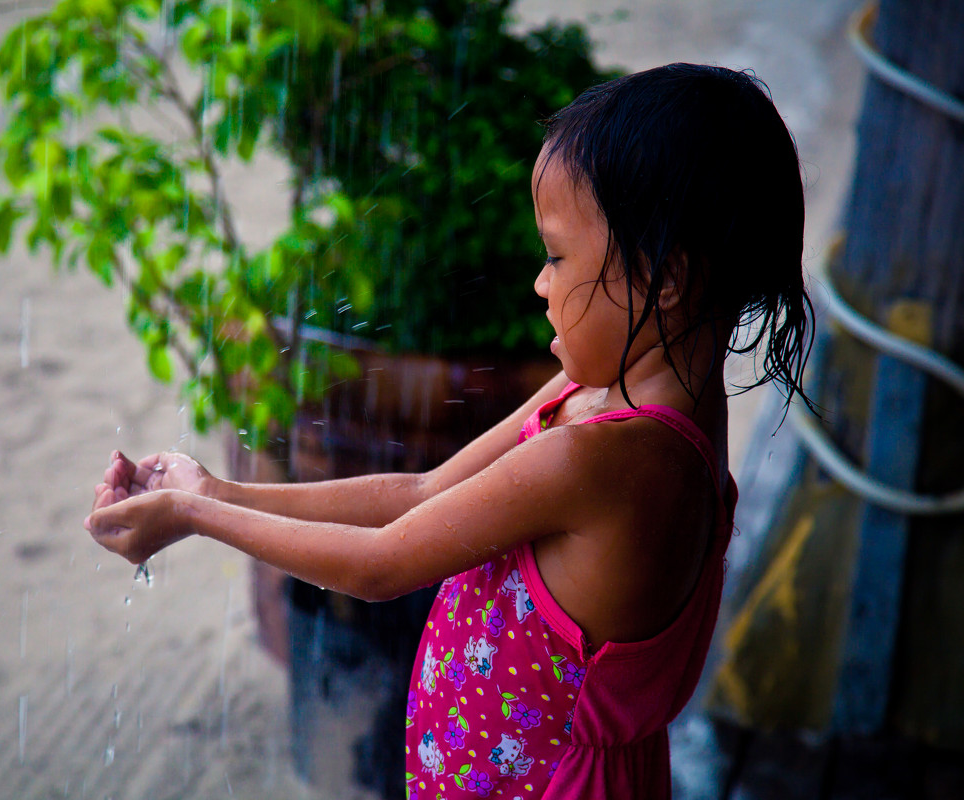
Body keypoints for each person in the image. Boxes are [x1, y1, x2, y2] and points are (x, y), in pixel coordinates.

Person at [83, 63, 814, 799]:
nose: (541, 282)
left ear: (663, 279)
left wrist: (192, 516)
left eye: (558, 257)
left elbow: (379, 566)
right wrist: (221, 490)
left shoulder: (618, 460)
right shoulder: (598, 392)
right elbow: (419, 492)